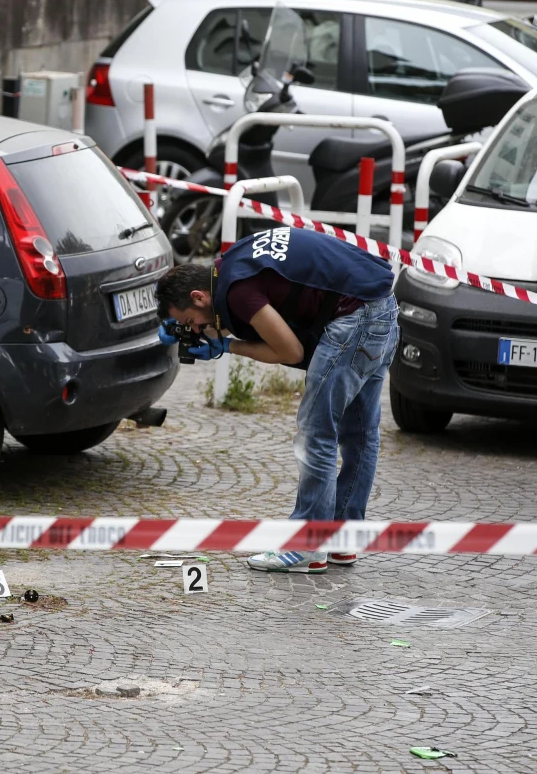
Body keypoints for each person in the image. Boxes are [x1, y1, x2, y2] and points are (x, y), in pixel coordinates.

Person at [154, 226, 399, 573]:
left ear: (198, 296)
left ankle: (305, 547)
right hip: (383, 306)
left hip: (355, 320)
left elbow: (289, 349)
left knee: (317, 434)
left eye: (190, 322)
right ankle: (343, 539)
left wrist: (227, 346)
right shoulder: (232, 264)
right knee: (360, 435)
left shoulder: (237, 291)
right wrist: (217, 331)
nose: (194, 330)